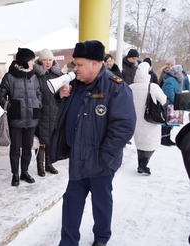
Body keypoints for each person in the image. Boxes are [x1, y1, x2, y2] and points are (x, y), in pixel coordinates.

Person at [49, 40, 136, 246]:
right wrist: (60, 98)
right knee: (71, 202)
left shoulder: (116, 87)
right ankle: (68, 242)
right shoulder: (75, 85)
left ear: (95, 64)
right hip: (78, 156)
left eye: (79, 64)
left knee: (101, 203)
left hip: (101, 162)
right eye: (74, 64)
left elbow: (123, 127)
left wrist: (103, 158)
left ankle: (101, 238)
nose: (74, 68)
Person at [0, 48, 42, 186]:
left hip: (31, 117)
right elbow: (1, 95)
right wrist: (9, 106)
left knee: (28, 147)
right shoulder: (9, 77)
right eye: (31, 60)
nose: (33, 63)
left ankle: (24, 171)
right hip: (16, 117)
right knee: (15, 148)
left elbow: (39, 93)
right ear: (24, 61)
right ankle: (15, 174)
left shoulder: (34, 77)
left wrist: (37, 104)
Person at [129, 62, 167, 174]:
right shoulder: (153, 87)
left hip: (135, 120)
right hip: (150, 119)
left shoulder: (131, 87)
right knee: (151, 142)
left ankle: (140, 164)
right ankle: (144, 164)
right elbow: (164, 101)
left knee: (140, 141)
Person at [33, 48, 62, 177]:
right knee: (41, 141)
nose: (48, 62)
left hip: (55, 111)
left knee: (51, 139)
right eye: (45, 60)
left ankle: (49, 164)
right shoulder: (36, 76)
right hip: (41, 111)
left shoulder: (58, 75)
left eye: (50, 59)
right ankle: (40, 166)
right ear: (40, 61)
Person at [161, 64, 183, 146]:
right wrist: (176, 101)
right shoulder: (170, 80)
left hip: (173, 104)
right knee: (167, 122)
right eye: (180, 71)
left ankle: (167, 138)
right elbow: (169, 93)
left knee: (171, 122)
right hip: (170, 104)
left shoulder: (175, 79)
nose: (181, 73)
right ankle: (163, 139)